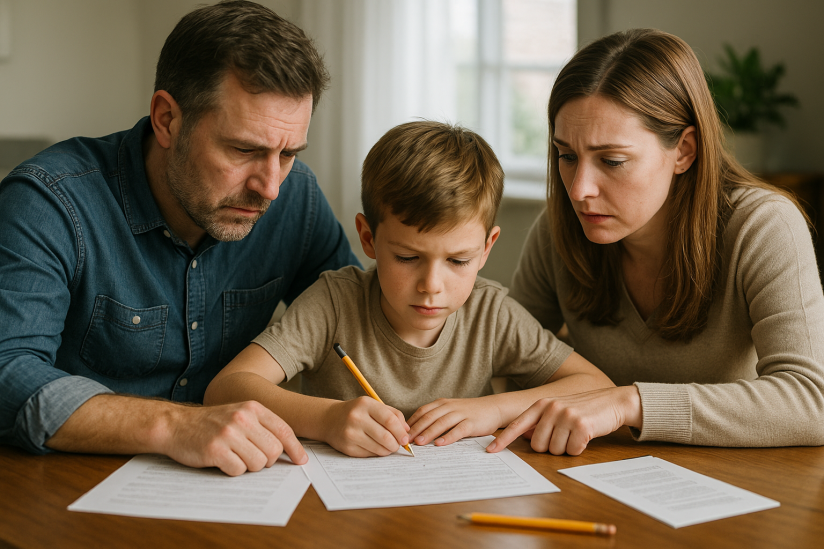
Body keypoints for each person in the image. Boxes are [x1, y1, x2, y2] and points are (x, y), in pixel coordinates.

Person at [0, 1, 360, 475]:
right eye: (244, 149)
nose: (270, 186)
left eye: (288, 153)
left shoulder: (296, 199)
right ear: (167, 119)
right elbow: (9, 372)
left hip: (241, 492)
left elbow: (357, 326)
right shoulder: (48, 202)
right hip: (68, 493)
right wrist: (174, 426)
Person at [487, 28, 824, 457]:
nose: (578, 190)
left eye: (612, 160)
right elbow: (505, 363)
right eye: (566, 155)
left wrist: (630, 402)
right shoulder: (559, 229)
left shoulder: (763, 226)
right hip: (598, 474)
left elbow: (812, 401)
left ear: (684, 150)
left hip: (739, 484)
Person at [203, 121, 614, 458]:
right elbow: (227, 388)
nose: (432, 286)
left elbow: (597, 388)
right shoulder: (334, 302)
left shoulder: (490, 313)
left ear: (487, 248)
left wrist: (493, 410)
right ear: (368, 238)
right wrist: (327, 419)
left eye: (458, 261)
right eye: (406, 258)